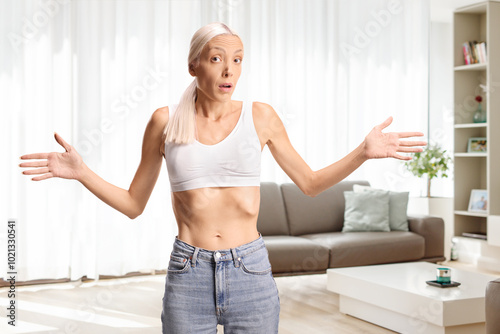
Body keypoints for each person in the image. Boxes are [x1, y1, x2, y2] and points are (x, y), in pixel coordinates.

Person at [20, 22, 426, 334]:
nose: (230, 70)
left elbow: (310, 183)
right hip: (188, 271)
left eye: (238, 59)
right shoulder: (164, 122)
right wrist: (81, 172)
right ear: (194, 64)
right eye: (217, 58)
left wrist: (363, 152)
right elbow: (133, 205)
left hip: (250, 270)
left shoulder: (260, 117)